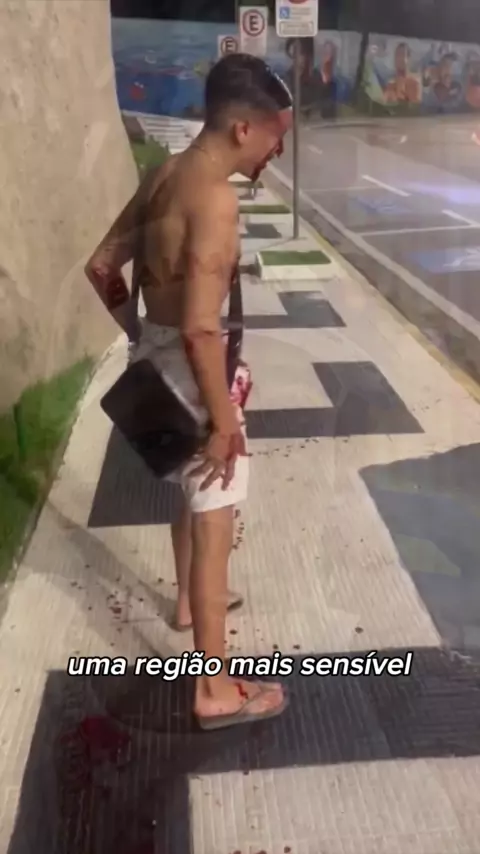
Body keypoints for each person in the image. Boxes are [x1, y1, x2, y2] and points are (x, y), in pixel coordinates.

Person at [84, 54, 293, 730]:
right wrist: (224, 423)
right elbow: (203, 327)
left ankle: (186, 605)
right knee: (215, 520)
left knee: (192, 496)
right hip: (196, 374)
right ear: (242, 128)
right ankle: (215, 688)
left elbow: (101, 266)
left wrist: (139, 335)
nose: (276, 151)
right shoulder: (216, 199)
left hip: (156, 358)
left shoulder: (163, 176)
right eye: (274, 136)